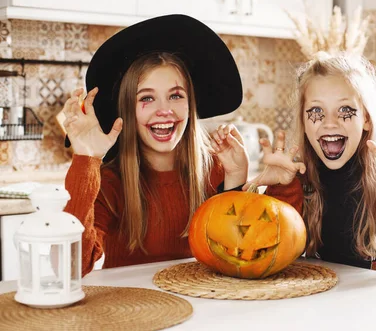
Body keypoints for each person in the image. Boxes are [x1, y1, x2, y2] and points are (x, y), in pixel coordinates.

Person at [61, 14, 302, 277]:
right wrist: (86, 156)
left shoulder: (215, 169)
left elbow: (255, 251)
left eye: (175, 95)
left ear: (191, 105)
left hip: (204, 305)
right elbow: (70, 266)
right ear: (128, 111)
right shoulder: (109, 182)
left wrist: (241, 179)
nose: (164, 111)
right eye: (147, 98)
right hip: (133, 309)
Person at [246, 52, 376, 276]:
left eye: (345, 110)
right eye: (316, 111)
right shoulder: (299, 176)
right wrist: (280, 189)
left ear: (366, 119)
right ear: (303, 121)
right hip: (316, 299)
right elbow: (260, 254)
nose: (329, 123)